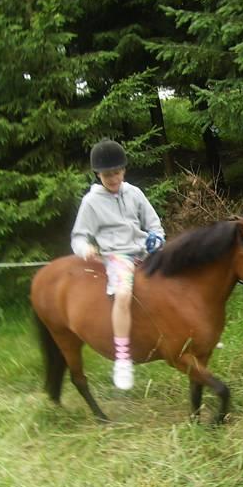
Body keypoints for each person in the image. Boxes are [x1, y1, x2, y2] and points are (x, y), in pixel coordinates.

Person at [71, 139, 165, 390]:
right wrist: (86, 249)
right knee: (123, 294)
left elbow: (154, 224)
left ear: (124, 170)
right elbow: (78, 237)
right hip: (117, 256)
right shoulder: (91, 203)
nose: (112, 179)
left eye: (116, 173)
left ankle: (191, 331)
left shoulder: (134, 193)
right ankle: (122, 359)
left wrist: (157, 237)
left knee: (180, 276)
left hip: (145, 251)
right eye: (106, 175)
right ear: (98, 175)